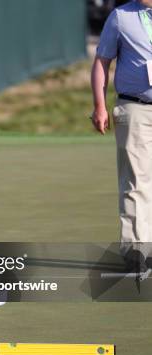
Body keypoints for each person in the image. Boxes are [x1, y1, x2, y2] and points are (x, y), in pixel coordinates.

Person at [91, 0, 152, 273]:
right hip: (135, 107)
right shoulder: (120, 17)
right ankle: (136, 254)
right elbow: (102, 61)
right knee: (136, 180)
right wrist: (100, 106)